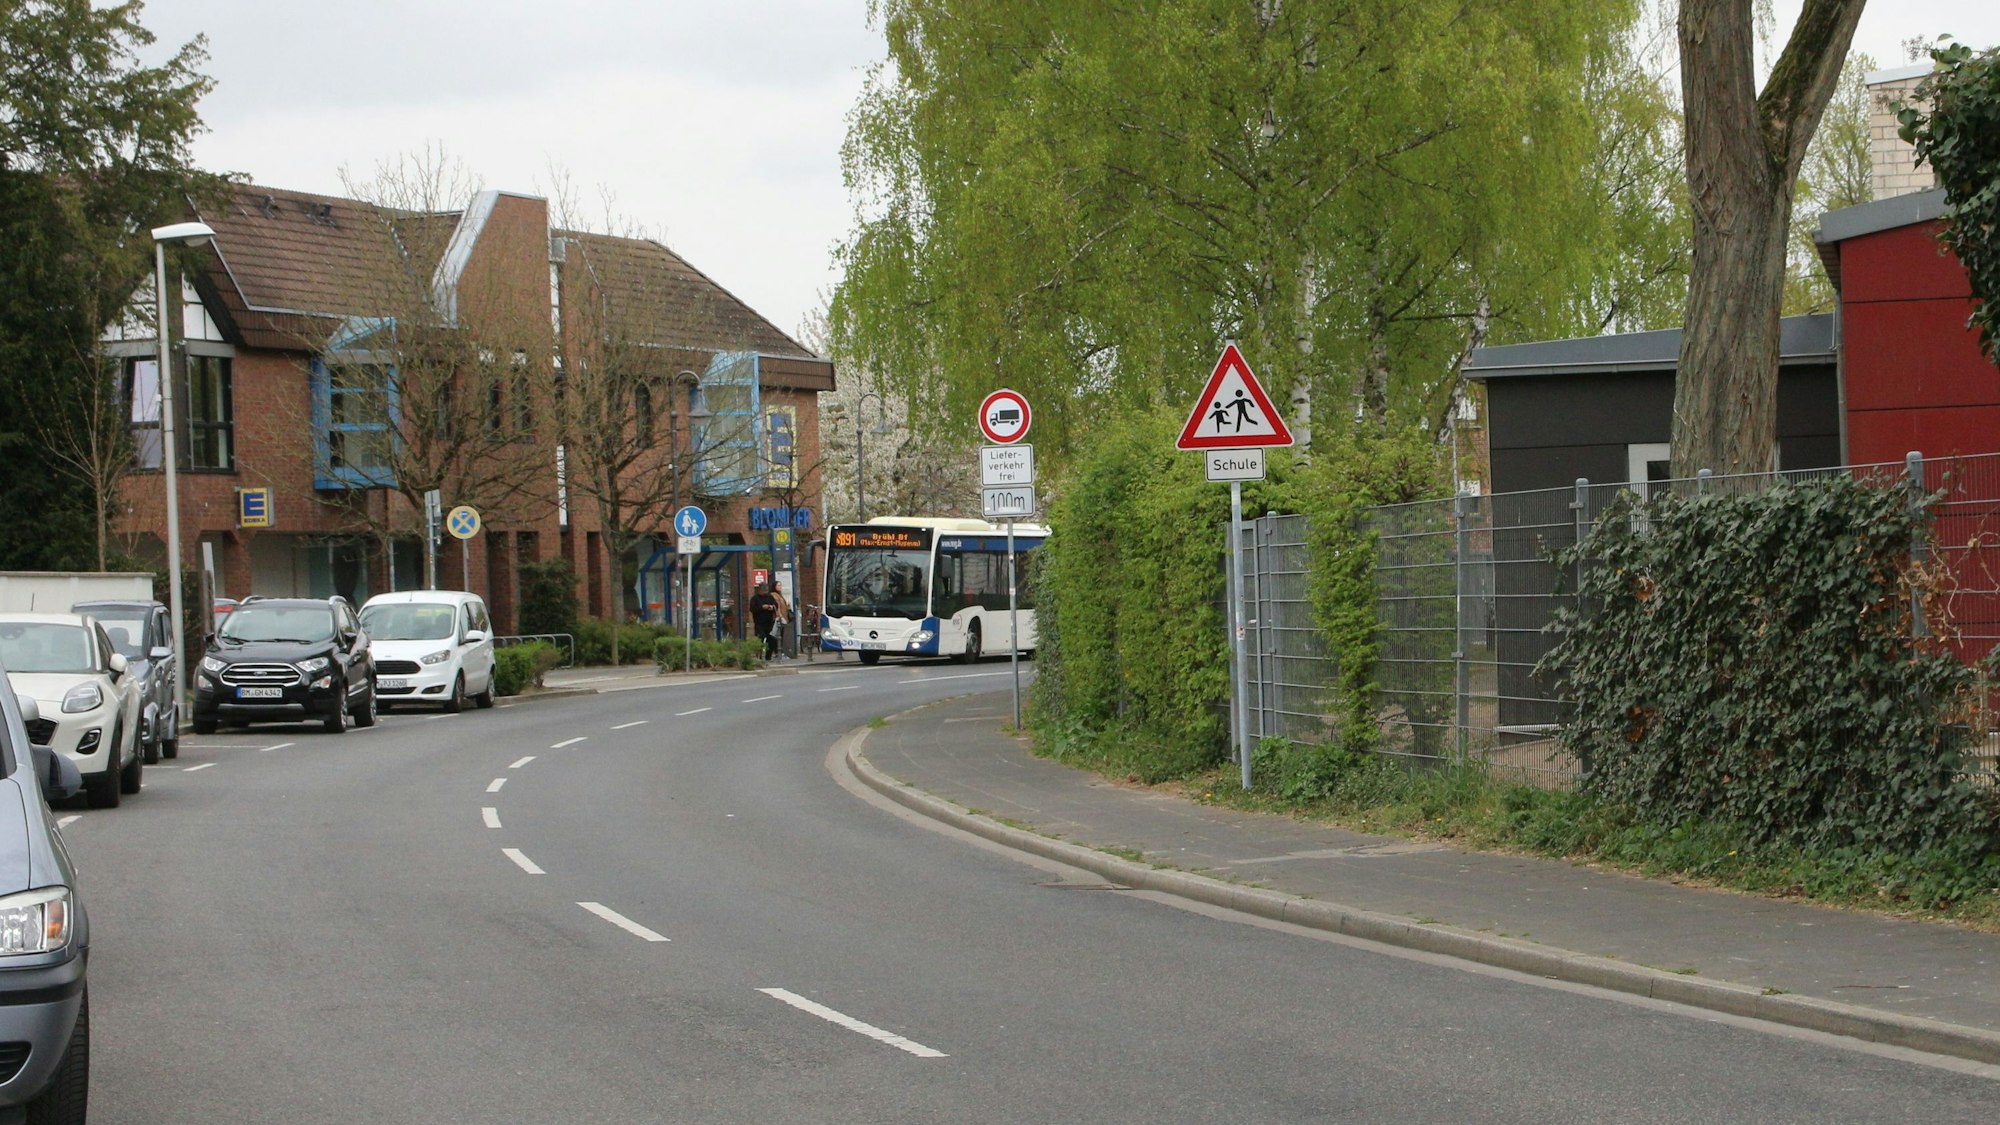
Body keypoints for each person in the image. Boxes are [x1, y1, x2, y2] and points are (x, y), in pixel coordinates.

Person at [748, 578, 790, 661]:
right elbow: (752, 609)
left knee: (772, 639)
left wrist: (772, 607)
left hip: (770, 621)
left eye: (765, 591)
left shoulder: (769, 597)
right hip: (759, 622)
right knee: (761, 637)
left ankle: (768, 656)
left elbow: (776, 605)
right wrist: (761, 607)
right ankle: (758, 655)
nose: (764, 592)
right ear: (759, 590)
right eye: (763, 591)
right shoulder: (755, 598)